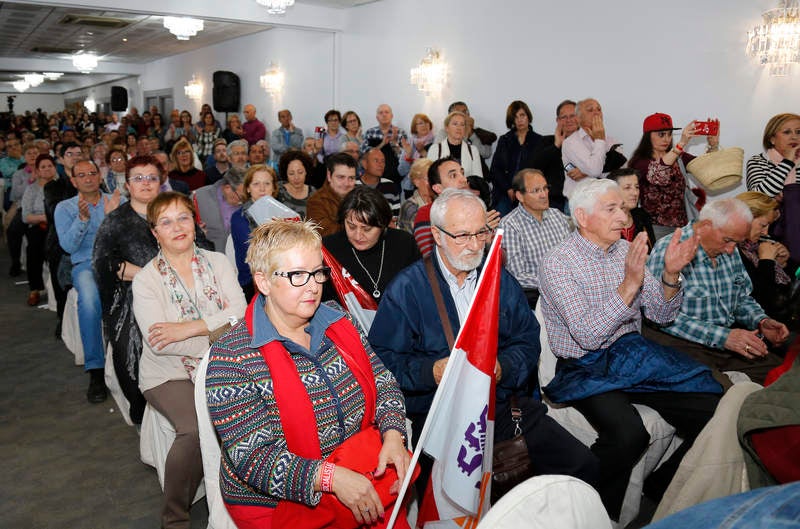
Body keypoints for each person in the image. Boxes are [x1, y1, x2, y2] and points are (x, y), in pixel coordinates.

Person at [370, 189, 599, 499]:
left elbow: (528, 340)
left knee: (582, 467)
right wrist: (430, 371)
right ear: (437, 235)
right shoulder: (407, 289)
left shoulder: (497, 278)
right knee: (456, 504)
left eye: (482, 232)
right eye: (462, 235)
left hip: (502, 406)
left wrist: (503, 367)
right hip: (439, 418)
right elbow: (381, 364)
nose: (476, 244)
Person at [206, 219, 411, 529]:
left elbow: (383, 382)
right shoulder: (232, 357)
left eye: (317, 272)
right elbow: (254, 459)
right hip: (276, 503)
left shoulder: (338, 320)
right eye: (297, 275)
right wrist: (330, 478)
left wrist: (394, 435)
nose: (314, 285)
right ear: (262, 281)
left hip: (356, 464)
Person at [538, 178, 722, 521]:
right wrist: (628, 286)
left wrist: (669, 274)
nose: (623, 216)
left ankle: (663, 485)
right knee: (629, 436)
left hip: (632, 357)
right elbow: (587, 337)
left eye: (623, 208)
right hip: (584, 367)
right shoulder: (558, 263)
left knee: (714, 407)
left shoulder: (625, 251)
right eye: (611, 209)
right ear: (582, 216)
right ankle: (580, 510)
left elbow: (661, 315)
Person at [133, 191, 246, 529]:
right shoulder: (146, 280)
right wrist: (217, 329)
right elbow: (160, 343)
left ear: (195, 222)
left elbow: (241, 315)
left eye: (182, 217)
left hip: (224, 363)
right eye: (165, 222)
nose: (177, 227)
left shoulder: (219, 263)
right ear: (155, 233)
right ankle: (175, 517)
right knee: (197, 429)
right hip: (168, 375)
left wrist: (187, 329)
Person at [93, 155, 212, 424]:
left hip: (189, 289)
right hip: (133, 295)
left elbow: (205, 249)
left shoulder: (177, 213)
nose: (145, 183)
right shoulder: (115, 221)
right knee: (132, 342)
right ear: (128, 185)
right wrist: (154, 277)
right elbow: (105, 264)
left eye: (152, 178)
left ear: (161, 182)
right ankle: (143, 409)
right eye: (138, 178)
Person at [646, 198, 789, 384]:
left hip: (724, 343)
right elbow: (659, 318)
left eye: (736, 243)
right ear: (705, 225)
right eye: (727, 240)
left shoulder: (729, 249)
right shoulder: (670, 249)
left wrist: (761, 320)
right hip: (683, 345)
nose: (731, 250)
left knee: (783, 376)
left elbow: (741, 298)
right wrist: (724, 337)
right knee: (720, 390)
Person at [55, 159, 122, 403]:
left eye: (92, 173)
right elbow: (67, 246)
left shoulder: (115, 201)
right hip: (85, 265)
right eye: (81, 175)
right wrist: (82, 220)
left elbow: (125, 240)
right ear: (73, 181)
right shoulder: (65, 208)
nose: (88, 178)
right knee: (90, 300)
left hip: (116, 262)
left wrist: (113, 216)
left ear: (99, 176)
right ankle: (95, 370)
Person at [628, 113, 719, 241]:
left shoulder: (679, 157)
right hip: (655, 229)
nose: (666, 139)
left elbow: (705, 168)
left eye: (669, 134)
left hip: (684, 227)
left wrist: (713, 146)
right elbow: (659, 173)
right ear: (648, 136)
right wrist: (681, 144)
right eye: (661, 134)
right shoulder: (641, 162)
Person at [323, 186, 420, 305]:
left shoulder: (404, 244)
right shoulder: (329, 248)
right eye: (351, 226)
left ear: (383, 224)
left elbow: (419, 289)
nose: (358, 236)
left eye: (367, 229)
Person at [499, 168, 572, 309]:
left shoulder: (557, 215)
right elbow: (517, 275)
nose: (544, 195)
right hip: (536, 299)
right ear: (520, 196)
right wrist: (556, 281)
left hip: (568, 290)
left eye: (545, 188)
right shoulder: (510, 225)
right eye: (536, 191)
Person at [735, 191, 798, 329]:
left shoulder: (758, 242)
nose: (766, 232)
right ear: (745, 219)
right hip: (761, 324)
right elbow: (760, 298)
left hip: (785, 314)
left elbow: (790, 283)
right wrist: (767, 262)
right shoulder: (732, 251)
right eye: (763, 225)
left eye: (769, 225)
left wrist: (784, 263)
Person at [561, 98, 627, 202]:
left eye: (599, 109)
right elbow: (595, 170)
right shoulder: (571, 142)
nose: (596, 113)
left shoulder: (612, 141)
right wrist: (599, 140)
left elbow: (621, 171)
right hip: (581, 203)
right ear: (578, 118)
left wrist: (585, 172)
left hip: (608, 201)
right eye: (590, 110)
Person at [231, 164, 280, 299]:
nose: (262, 188)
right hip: (251, 280)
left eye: (267, 183)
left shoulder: (283, 213)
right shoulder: (239, 217)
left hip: (281, 274)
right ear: (248, 188)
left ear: (274, 188)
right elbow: (253, 250)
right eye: (256, 184)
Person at [490, 100, 543, 215]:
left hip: (530, 192)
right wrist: (508, 189)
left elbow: (541, 171)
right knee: (500, 229)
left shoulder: (540, 141)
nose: (519, 120)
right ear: (511, 120)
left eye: (522, 115)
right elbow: (495, 169)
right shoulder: (504, 140)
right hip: (506, 193)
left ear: (528, 116)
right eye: (515, 117)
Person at [527, 99, 580, 212]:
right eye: (563, 117)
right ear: (557, 120)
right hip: (553, 201)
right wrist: (556, 145)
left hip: (581, 198)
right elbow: (532, 168)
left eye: (572, 116)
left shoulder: (589, 141)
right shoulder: (546, 141)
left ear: (579, 117)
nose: (568, 120)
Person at [21, 154, 57, 306]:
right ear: (37, 170)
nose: (47, 169)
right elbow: (25, 216)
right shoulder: (32, 189)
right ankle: (35, 289)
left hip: (57, 226)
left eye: (50, 166)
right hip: (39, 225)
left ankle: (58, 286)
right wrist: (44, 217)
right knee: (34, 248)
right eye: (43, 167)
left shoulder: (61, 186)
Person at [746, 113, 800, 198]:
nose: (794, 137)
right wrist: (787, 162)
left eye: (798, 132)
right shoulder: (758, 161)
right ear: (772, 139)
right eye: (787, 132)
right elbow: (758, 198)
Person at [193, 167, 244, 252]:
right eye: (241, 197)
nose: (242, 201)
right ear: (227, 188)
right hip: (207, 257)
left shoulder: (249, 202)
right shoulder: (198, 197)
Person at [306, 152, 358, 236]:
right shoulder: (316, 201)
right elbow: (324, 234)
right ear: (329, 176)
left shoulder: (361, 196)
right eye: (341, 177)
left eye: (351, 178)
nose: (346, 183)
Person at [360, 104, 407, 186]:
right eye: (381, 113)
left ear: (391, 116)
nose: (384, 115)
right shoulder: (370, 132)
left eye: (386, 112)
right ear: (377, 117)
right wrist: (382, 144)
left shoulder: (400, 132)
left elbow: (405, 158)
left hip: (394, 177)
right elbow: (363, 155)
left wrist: (394, 143)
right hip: (372, 177)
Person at [607, 168, 656, 248]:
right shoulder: (604, 221)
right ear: (613, 191)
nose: (635, 193)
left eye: (637, 187)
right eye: (627, 188)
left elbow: (652, 251)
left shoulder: (642, 216)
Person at [427, 111, 483, 179]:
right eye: (455, 124)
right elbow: (430, 177)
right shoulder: (435, 149)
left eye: (462, 125)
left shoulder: (473, 150)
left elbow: (478, 178)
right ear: (447, 128)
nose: (459, 128)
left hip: (467, 189)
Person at [360, 148, 402, 215]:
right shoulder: (353, 185)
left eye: (383, 161)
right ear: (364, 164)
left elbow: (396, 215)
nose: (380, 164)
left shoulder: (390, 186)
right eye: (376, 161)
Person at [277, 149, 316, 218]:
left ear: (306, 171)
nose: (296, 177)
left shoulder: (313, 193)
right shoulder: (277, 190)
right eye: (291, 174)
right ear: (286, 174)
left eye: (300, 172)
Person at [398, 158, 433, 234]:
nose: (432, 182)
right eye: (428, 179)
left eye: (433, 178)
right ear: (417, 182)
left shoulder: (439, 201)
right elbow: (421, 234)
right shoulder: (409, 206)